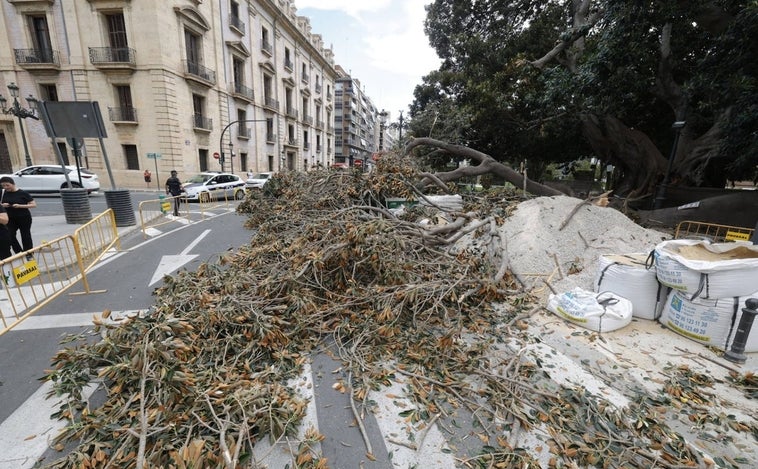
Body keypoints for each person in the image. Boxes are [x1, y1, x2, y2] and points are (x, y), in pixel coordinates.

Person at [0, 176, 36, 260]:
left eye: (7, 185)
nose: (6, 187)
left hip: (23, 217)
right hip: (10, 218)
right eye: (3, 186)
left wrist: (20, 206)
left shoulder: (23, 193)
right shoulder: (2, 193)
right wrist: (3, 205)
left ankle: (28, 252)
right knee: (10, 235)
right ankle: (19, 252)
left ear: (13, 184)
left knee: (25, 235)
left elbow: (33, 204)